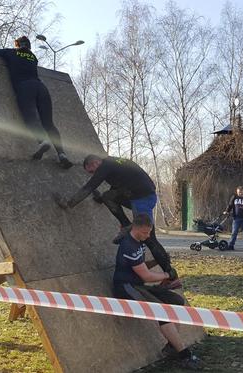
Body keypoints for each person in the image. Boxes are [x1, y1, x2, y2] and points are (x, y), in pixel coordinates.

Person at [53, 154, 175, 276]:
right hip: (139, 194)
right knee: (108, 196)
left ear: (94, 163)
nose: (92, 174)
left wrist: (69, 203)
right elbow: (117, 185)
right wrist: (101, 199)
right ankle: (127, 225)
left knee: (149, 238)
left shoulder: (105, 166)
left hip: (142, 198)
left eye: (91, 171)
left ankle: (170, 274)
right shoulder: (113, 162)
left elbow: (90, 186)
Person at [112, 214, 200, 370]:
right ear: (136, 228)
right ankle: (184, 354)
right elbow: (145, 275)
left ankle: (171, 347)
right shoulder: (128, 246)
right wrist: (167, 275)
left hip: (138, 285)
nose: (147, 236)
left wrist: (158, 261)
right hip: (125, 287)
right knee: (161, 311)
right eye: (145, 233)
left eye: (149, 233)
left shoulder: (139, 242)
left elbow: (141, 265)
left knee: (177, 302)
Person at [0, 36, 73, 169]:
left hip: (25, 87)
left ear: (17, 45)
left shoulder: (11, 52)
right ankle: (62, 154)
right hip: (41, 88)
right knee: (49, 123)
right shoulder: (34, 58)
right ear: (29, 46)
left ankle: (43, 141)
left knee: (31, 117)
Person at [223, 186, 243, 251]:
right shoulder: (234, 197)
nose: (239, 193)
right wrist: (227, 211)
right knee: (234, 232)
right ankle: (231, 246)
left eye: (240, 192)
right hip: (236, 218)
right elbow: (230, 205)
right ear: (237, 191)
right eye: (238, 192)